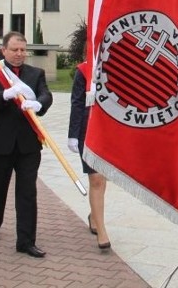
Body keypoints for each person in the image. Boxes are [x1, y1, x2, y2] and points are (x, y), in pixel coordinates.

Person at [0, 31, 52, 258]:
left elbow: (46, 94)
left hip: (28, 143)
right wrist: (6, 94)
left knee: (27, 192)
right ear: (3, 50)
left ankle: (26, 240)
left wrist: (39, 104)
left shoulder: (35, 73)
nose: (19, 54)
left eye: (22, 50)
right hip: (0, 141)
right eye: (14, 50)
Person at [68, 51, 111, 251]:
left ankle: (95, 215)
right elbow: (76, 104)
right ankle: (101, 231)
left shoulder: (117, 68)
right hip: (89, 132)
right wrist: (73, 135)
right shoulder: (83, 71)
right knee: (96, 179)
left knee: (102, 179)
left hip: (110, 132)